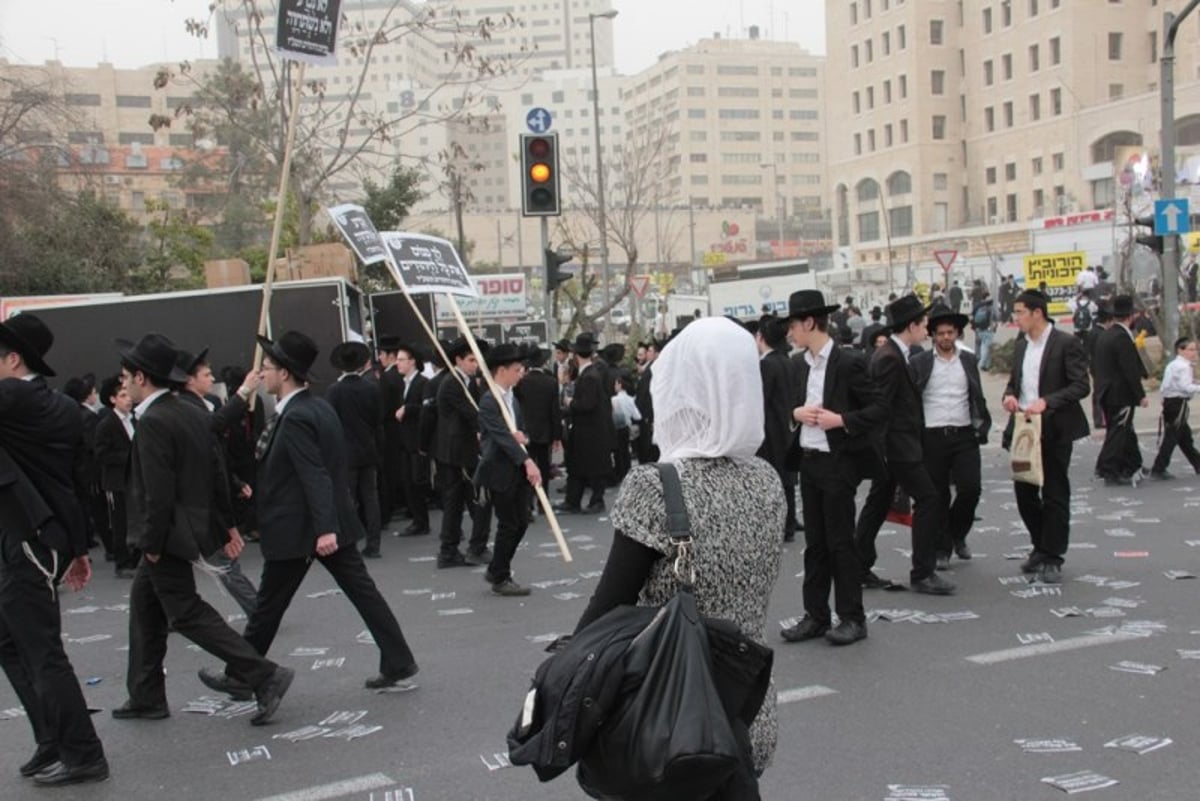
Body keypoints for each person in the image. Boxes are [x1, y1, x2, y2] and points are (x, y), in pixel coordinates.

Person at [573, 316, 784, 784]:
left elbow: (608, 608)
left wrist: (562, 670)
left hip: (669, 719)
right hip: (748, 707)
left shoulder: (655, 485)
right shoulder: (767, 480)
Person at [198, 331, 419, 697]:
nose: (263, 374)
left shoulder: (299, 416)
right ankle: (397, 660)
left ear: (284, 373)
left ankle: (241, 675)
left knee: (269, 605)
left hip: (305, 530)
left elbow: (314, 473)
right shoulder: (315, 407)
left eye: (267, 368)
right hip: (320, 526)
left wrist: (325, 528)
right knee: (361, 595)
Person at [115, 333, 292, 728]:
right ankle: (145, 694)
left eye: (127, 375)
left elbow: (157, 493)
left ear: (142, 377)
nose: (122, 382)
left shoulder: (156, 421)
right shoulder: (191, 410)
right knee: (145, 609)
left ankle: (263, 673)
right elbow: (216, 470)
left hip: (169, 534)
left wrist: (152, 542)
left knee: (185, 613)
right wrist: (227, 523)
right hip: (190, 527)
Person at [0, 314, 108, 787]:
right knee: (11, 644)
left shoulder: (14, 396)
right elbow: (70, 483)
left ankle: (83, 753)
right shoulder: (60, 407)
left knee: (41, 652)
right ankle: (51, 738)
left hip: (27, 540)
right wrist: (79, 547)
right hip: (37, 537)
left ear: (12, 358)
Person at [780, 290, 887, 646]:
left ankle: (853, 618)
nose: (791, 332)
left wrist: (839, 419)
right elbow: (787, 408)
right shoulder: (797, 364)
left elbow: (878, 409)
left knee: (841, 543)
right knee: (815, 545)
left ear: (810, 322)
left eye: (794, 325)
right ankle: (816, 615)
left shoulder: (849, 361)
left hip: (839, 463)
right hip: (807, 464)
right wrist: (796, 414)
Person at [854, 295, 955, 595]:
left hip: (896, 446)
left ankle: (859, 566)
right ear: (911, 325)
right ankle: (923, 572)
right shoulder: (889, 358)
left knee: (877, 504)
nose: (928, 329)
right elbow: (880, 407)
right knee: (928, 498)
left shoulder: (894, 354)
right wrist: (883, 452)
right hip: (896, 448)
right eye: (924, 324)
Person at [1001, 290, 1090, 584]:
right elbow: (1015, 383)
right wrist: (1010, 396)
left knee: (1054, 493)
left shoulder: (1066, 343)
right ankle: (1040, 545)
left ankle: (1053, 555)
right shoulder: (1021, 345)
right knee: (1024, 492)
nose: (1016, 319)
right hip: (1024, 428)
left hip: (1054, 427)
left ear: (1037, 312)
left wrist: (1048, 401)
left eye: (1020, 312)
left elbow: (1081, 386)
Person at [173, 346, 260, 616]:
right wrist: (244, 392)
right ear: (189, 380)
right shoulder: (185, 408)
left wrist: (234, 482)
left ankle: (170, 614)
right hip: (195, 501)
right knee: (222, 558)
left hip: (202, 498)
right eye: (206, 374)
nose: (211, 379)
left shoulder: (202, 403)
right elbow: (212, 427)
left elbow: (216, 456)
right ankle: (258, 610)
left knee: (167, 570)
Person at [911, 305, 991, 570]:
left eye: (950, 332)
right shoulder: (920, 362)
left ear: (958, 333)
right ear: (933, 335)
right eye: (940, 333)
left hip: (964, 433)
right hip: (932, 435)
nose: (946, 337)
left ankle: (958, 533)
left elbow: (976, 394)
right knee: (938, 496)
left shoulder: (968, 359)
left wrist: (983, 423)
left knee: (971, 488)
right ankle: (942, 548)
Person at [473, 343, 542, 596]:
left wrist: (524, 439)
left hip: (517, 469)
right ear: (501, 370)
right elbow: (501, 438)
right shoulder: (490, 401)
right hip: (499, 470)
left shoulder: (512, 397)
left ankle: (496, 569)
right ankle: (500, 575)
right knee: (509, 523)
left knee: (521, 522)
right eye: (517, 369)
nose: (521, 373)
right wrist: (527, 461)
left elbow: (520, 433)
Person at [434, 338, 492, 567]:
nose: (475, 364)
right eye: (471, 359)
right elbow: (472, 414)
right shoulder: (453, 383)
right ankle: (466, 548)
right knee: (474, 500)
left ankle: (455, 549)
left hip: (460, 450)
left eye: (477, 359)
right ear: (458, 359)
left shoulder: (465, 381)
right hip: (457, 453)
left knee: (460, 502)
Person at [325, 342, 385, 557]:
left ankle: (348, 540)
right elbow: (379, 420)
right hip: (368, 449)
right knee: (371, 497)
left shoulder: (334, 391)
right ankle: (374, 543)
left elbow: (329, 424)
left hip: (345, 453)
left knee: (347, 497)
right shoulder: (371, 387)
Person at [555, 333, 616, 514]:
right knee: (579, 466)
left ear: (575, 355)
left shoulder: (589, 376)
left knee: (591, 468)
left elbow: (587, 404)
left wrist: (569, 403)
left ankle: (594, 501)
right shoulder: (591, 373)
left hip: (589, 431)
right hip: (588, 429)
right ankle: (573, 500)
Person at [1092, 295, 1148, 486]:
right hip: (1120, 394)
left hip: (1106, 391)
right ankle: (1108, 468)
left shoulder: (1105, 335)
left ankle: (1133, 464)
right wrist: (1140, 395)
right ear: (1130, 317)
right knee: (1118, 431)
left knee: (1125, 430)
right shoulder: (1122, 337)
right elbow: (1129, 370)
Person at [752, 315, 799, 542]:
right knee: (787, 479)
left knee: (772, 479)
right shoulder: (788, 361)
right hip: (789, 427)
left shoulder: (766, 365)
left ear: (761, 337)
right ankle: (790, 522)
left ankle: (779, 525)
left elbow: (761, 401)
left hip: (770, 431)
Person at [94, 374, 137, 578]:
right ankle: (122, 562)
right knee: (119, 523)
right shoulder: (107, 423)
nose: (127, 398)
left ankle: (134, 557)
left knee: (134, 519)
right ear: (112, 399)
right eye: (122, 395)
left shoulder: (134, 419)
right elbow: (101, 453)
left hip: (134, 480)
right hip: (116, 481)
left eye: (128, 394)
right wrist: (128, 456)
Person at [393, 343, 431, 537]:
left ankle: (422, 521)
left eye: (401, 359)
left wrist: (409, 409)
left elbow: (427, 409)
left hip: (417, 441)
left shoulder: (422, 382)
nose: (397, 363)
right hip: (405, 441)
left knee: (417, 482)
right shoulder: (404, 384)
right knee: (408, 481)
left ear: (412, 362)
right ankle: (418, 520)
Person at [514, 345, 561, 499]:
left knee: (527, 465)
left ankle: (527, 503)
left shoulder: (521, 383)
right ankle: (543, 499)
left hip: (526, 430)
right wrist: (557, 436)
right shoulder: (551, 382)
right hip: (545, 431)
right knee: (544, 467)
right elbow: (555, 411)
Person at [1150, 338, 1200, 479]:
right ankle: (1158, 468)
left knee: (1184, 437)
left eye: (1195, 349)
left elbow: (1166, 385)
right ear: (1180, 350)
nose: (1194, 352)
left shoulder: (1174, 364)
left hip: (1171, 403)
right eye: (1190, 349)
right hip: (1177, 404)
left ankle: (1197, 463)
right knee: (1172, 437)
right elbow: (1185, 387)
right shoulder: (1183, 367)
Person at [376, 336, 406, 524]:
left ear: (391, 355)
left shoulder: (387, 377)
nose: (379, 357)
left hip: (390, 429)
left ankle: (395, 504)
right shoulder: (401, 375)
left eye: (381, 354)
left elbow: (383, 408)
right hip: (401, 429)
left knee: (392, 468)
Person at [633, 339, 660, 463]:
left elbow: (646, 393)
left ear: (656, 353)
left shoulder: (654, 369)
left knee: (647, 445)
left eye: (650, 351)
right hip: (643, 412)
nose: (647, 353)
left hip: (647, 412)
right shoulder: (648, 368)